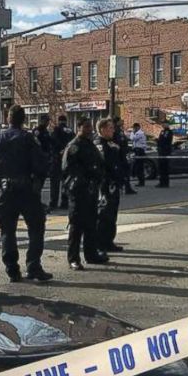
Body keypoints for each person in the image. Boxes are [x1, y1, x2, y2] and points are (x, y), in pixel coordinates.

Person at [0, 105, 51, 281]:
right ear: (23, 120)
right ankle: (33, 266)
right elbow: (41, 165)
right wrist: (38, 183)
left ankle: (12, 269)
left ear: (8, 119)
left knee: (7, 231)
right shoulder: (28, 139)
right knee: (36, 229)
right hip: (27, 189)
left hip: (6, 191)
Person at [62, 118, 108, 270]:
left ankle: (91, 254)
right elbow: (68, 169)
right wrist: (81, 182)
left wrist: (98, 178)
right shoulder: (74, 146)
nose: (89, 129)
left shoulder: (90, 145)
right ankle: (73, 258)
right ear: (79, 127)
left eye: (90, 127)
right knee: (76, 226)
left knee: (90, 225)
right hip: (78, 191)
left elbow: (99, 164)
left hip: (91, 190)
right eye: (86, 127)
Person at [96, 118, 127, 254]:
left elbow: (120, 161)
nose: (113, 130)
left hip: (114, 183)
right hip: (105, 184)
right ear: (102, 129)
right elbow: (105, 165)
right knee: (104, 214)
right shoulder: (100, 144)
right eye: (110, 128)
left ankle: (109, 241)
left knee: (112, 214)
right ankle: (100, 243)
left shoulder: (113, 143)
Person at [50, 114, 74, 209]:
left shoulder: (57, 130)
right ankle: (64, 202)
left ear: (59, 121)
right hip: (68, 160)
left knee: (55, 183)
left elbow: (53, 142)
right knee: (66, 182)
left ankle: (53, 202)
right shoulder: (70, 131)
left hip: (57, 159)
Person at [33, 113, 55, 208]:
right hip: (38, 160)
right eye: (46, 121)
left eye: (48, 121)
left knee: (41, 181)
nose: (47, 123)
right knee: (37, 182)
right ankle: (35, 201)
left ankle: (37, 200)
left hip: (46, 159)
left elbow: (50, 143)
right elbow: (36, 144)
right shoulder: (37, 131)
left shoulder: (46, 131)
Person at [113, 117, 137, 195]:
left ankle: (126, 187)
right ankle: (123, 187)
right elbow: (120, 142)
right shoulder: (116, 130)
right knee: (123, 171)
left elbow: (124, 140)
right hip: (120, 154)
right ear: (117, 122)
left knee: (125, 171)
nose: (122, 121)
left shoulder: (119, 130)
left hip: (123, 153)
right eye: (120, 120)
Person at [129, 122, 147, 187]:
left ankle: (142, 182)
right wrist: (132, 133)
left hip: (140, 150)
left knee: (139, 167)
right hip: (136, 150)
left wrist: (132, 132)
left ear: (138, 127)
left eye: (134, 128)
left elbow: (133, 138)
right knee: (137, 167)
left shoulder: (140, 133)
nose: (133, 129)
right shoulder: (136, 133)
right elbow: (131, 138)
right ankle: (140, 181)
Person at [156, 123, 174, 187]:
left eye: (164, 124)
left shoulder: (169, 132)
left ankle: (165, 182)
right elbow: (160, 139)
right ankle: (161, 182)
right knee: (161, 168)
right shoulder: (162, 131)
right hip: (161, 151)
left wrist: (161, 142)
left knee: (165, 168)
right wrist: (157, 141)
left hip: (165, 151)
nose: (162, 125)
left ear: (167, 125)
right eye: (162, 124)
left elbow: (166, 140)